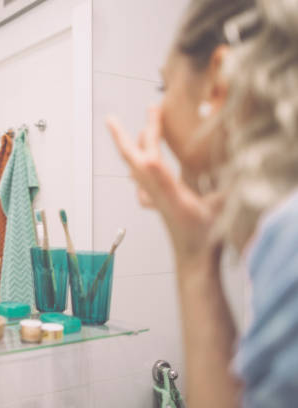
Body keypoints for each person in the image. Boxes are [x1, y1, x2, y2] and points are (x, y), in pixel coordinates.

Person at [107, 0, 298, 406]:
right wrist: (195, 255)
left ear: (218, 82)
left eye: (164, 87)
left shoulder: (290, 241)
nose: (156, 111)